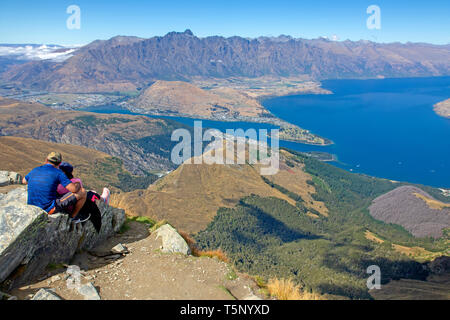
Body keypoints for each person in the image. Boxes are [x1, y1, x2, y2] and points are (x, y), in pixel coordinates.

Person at [22, 152, 87, 220]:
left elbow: (24, 181)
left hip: (32, 206)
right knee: (82, 192)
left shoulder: (35, 169)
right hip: (48, 208)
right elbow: (74, 189)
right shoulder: (58, 173)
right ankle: (73, 218)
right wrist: (77, 184)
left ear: (46, 160)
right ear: (59, 164)